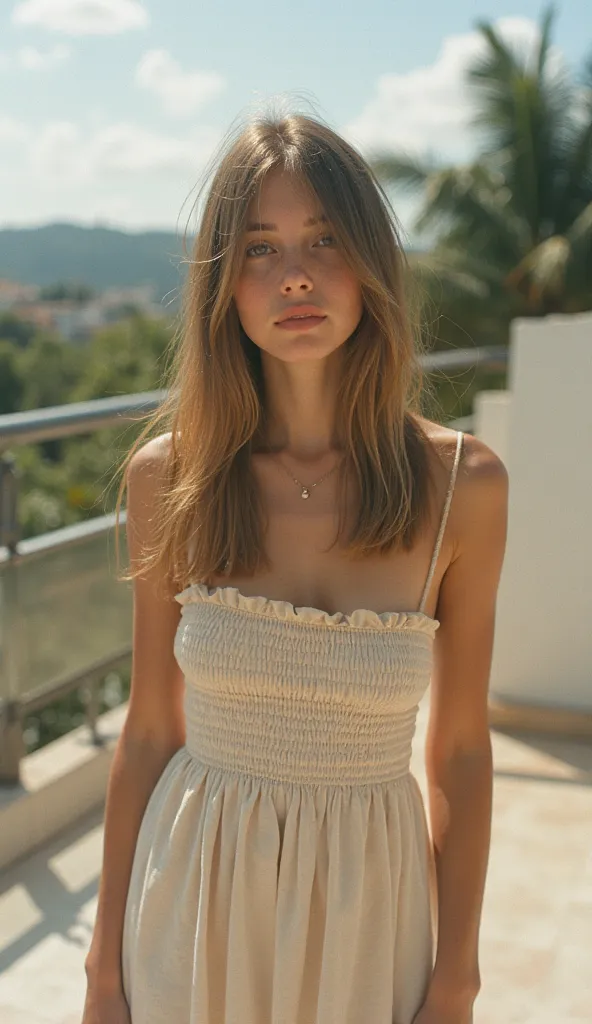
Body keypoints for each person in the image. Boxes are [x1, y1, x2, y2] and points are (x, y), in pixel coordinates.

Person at [81, 108, 508, 1024]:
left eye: (323, 240)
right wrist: (101, 975)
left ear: (370, 262)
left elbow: (463, 753)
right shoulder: (172, 479)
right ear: (223, 285)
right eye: (260, 249)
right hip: (190, 903)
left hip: (370, 915)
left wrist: (458, 979)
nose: (298, 274)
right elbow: (150, 733)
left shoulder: (461, 485)